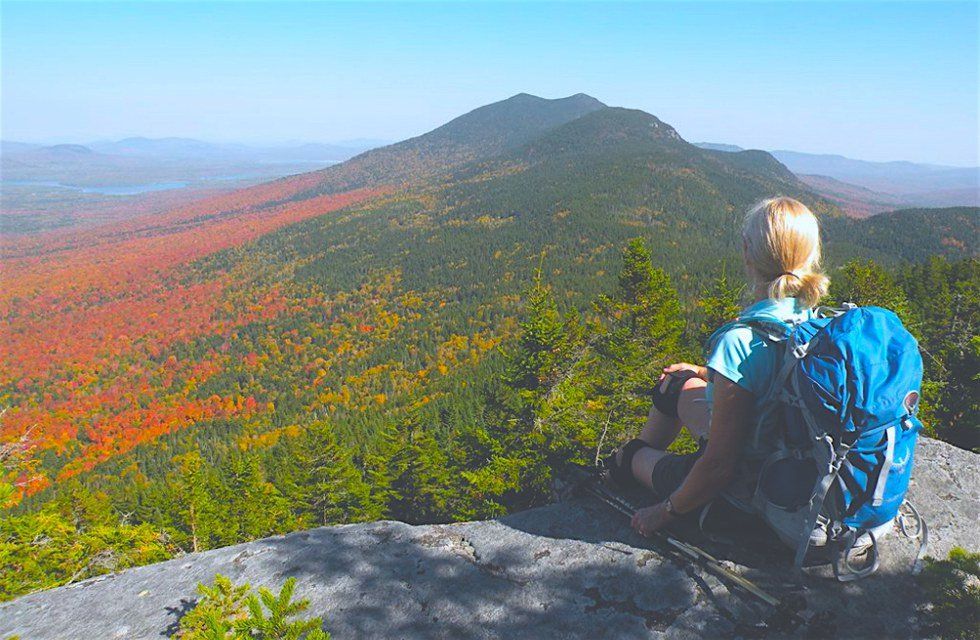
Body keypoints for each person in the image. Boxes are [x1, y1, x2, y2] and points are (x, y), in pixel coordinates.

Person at [603, 196, 830, 538]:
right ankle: (640, 465)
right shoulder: (811, 322)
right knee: (676, 382)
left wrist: (664, 512)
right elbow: (772, 379)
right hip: (787, 463)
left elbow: (719, 466)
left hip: (744, 495)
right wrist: (701, 373)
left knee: (632, 455)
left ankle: (623, 469)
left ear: (748, 253)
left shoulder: (740, 341)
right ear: (810, 255)